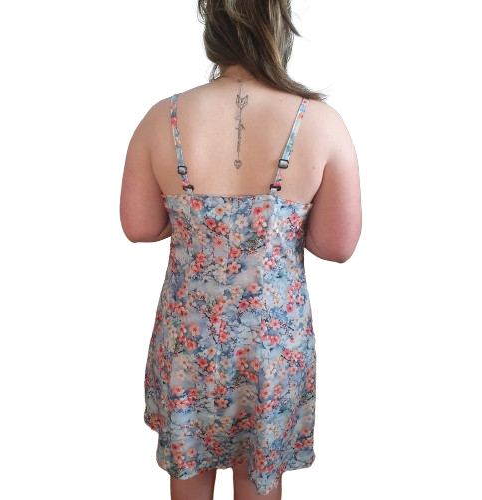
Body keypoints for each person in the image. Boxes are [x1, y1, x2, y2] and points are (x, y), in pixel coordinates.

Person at [121, 1, 362, 498]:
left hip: (189, 340)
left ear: (211, 25)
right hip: (272, 345)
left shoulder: (162, 117)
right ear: (281, 28)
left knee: (188, 476)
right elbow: (336, 247)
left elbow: (139, 229)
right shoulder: (320, 122)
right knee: (259, 478)